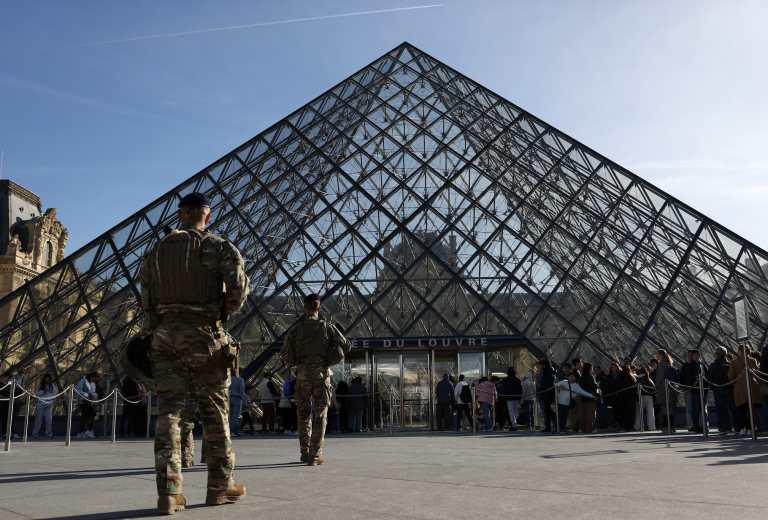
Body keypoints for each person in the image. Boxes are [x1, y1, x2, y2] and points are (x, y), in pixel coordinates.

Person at [139, 191, 250, 513]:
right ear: (208, 216)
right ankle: (219, 486)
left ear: (180, 214)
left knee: (169, 411)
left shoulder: (156, 250)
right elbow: (238, 290)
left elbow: (146, 298)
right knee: (215, 411)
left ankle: (169, 492)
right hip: (203, 334)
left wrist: (160, 325)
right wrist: (219, 316)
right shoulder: (217, 246)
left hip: (163, 336)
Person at [280, 293, 351, 465]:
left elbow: (284, 354)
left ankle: (304, 453)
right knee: (321, 415)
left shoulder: (295, 330)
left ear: (305, 308)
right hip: (322, 376)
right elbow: (346, 346)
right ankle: (315, 454)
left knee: (303, 416)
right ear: (319, 308)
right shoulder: (328, 327)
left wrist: (299, 361)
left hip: (303, 376)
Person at [729, 344, 763, 436]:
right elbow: (756, 374)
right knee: (751, 409)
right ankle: (750, 428)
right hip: (752, 386)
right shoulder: (753, 360)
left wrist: (736, 384)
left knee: (741, 410)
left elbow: (730, 376)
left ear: (740, 350)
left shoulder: (734, 362)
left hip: (739, 387)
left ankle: (741, 429)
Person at [707, 346, 738, 435]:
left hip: (718, 389)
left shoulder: (713, 365)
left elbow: (709, 379)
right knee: (733, 409)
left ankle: (722, 428)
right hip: (730, 389)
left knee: (720, 409)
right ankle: (737, 427)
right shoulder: (730, 364)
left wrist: (714, 388)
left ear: (717, 354)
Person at [654, 350, 676, 433]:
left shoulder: (661, 364)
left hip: (664, 389)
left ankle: (667, 425)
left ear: (661, 355)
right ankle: (672, 425)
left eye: (657, 354)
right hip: (670, 388)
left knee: (665, 408)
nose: (657, 356)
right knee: (671, 407)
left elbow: (660, 377)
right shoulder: (668, 363)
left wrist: (657, 387)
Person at [688, 350, 709, 432]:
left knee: (702, 409)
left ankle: (703, 426)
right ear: (692, 356)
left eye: (697, 354)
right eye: (694, 354)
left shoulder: (702, 365)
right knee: (696, 408)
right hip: (695, 389)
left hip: (702, 389)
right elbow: (688, 377)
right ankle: (697, 426)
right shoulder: (690, 365)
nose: (696, 356)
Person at [76, 372, 100, 439]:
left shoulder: (91, 383)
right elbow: (78, 389)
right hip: (82, 401)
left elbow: (92, 392)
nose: (94, 380)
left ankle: (80, 433)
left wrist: (93, 395)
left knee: (84, 416)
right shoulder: (83, 381)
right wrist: (85, 395)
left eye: (96, 379)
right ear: (90, 377)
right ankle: (88, 431)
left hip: (87, 401)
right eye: (94, 378)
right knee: (91, 414)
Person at [32, 373, 56, 438]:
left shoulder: (52, 386)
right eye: (46, 379)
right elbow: (36, 394)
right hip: (41, 404)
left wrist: (51, 401)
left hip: (49, 404)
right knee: (39, 419)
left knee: (48, 420)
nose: (47, 380)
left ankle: (49, 433)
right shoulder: (40, 386)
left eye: (48, 379)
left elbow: (54, 395)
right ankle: (35, 433)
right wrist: (43, 392)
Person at [8, 363, 27, 439]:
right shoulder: (14, 377)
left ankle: (13, 432)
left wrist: (23, 397)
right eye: (21, 368)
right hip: (15, 398)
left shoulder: (23, 378)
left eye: (23, 368)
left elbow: (23, 388)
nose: (22, 370)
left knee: (15, 416)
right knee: (12, 416)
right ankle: (12, 432)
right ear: (18, 369)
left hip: (19, 398)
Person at [615, 365, 637, 432]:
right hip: (630, 397)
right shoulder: (629, 377)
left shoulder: (619, 377)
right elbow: (634, 388)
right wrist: (637, 397)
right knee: (631, 412)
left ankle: (621, 424)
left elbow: (617, 386)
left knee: (624, 411)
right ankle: (629, 426)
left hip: (622, 396)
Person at [579, 363, 599, 433]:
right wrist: (597, 384)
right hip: (591, 397)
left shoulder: (581, 377)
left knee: (586, 413)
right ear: (590, 369)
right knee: (592, 413)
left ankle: (584, 427)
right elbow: (594, 386)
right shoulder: (590, 377)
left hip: (584, 397)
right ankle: (590, 428)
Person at [538, 358, 556, 433]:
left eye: (541, 365)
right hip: (549, 393)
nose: (540, 367)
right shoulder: (550, 371)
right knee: (547, 410)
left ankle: (549, 426)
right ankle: (551, 424)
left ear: (544, 365)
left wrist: (541, 385)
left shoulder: (548, 371)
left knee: (547, 410)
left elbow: (547, 383)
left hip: (547, 393)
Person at [502, 367, 523, 432]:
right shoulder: (518, 380)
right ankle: (514, 424)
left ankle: (513, 425)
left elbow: (505, 389)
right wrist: (519, 397)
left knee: (511, 412)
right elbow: (520, 389)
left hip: (509, 397)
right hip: (516, 397)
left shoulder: (506, 380)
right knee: (515, 412)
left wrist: (505, 397)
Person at [634, 367, 655, 431]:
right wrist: (654, 398)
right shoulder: (648, 379)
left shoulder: (637, 379)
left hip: (640, 396)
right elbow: (653, 389)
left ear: (639, 372)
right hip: (649, 396)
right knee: (650, 412)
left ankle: (637, 426)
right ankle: (651, 427)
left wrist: (637, 399)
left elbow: (636, 390)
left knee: (639, 413)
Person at [679, 350, 695, 429]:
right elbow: (681, 376)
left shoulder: (700, 365)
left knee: (696, 408)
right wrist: (683, 387)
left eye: (690, 355)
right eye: (688, 355)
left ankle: (700, 424)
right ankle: (693, 424)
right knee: (690, 408)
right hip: (688, 389)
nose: (689, 357)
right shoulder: (685, 365)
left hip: (695, 389)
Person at [229, 372, 246, 436]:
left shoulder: (229, 379)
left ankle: (238, 431)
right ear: (241, 373)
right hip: (237, 398)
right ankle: (231, 431)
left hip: (229, 398)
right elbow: (241, 390)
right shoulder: (240, 379)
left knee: (232, 416)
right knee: (235, 416)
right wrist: (242, 397)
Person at [1, 372, 12, 439]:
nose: (8, 379)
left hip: (6, 403)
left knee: (5, 419)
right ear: (4, 377)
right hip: (1, 402)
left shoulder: (9, 385)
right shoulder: (0, 384)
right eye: (7, 378)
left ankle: (5, 433)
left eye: (9, 378)